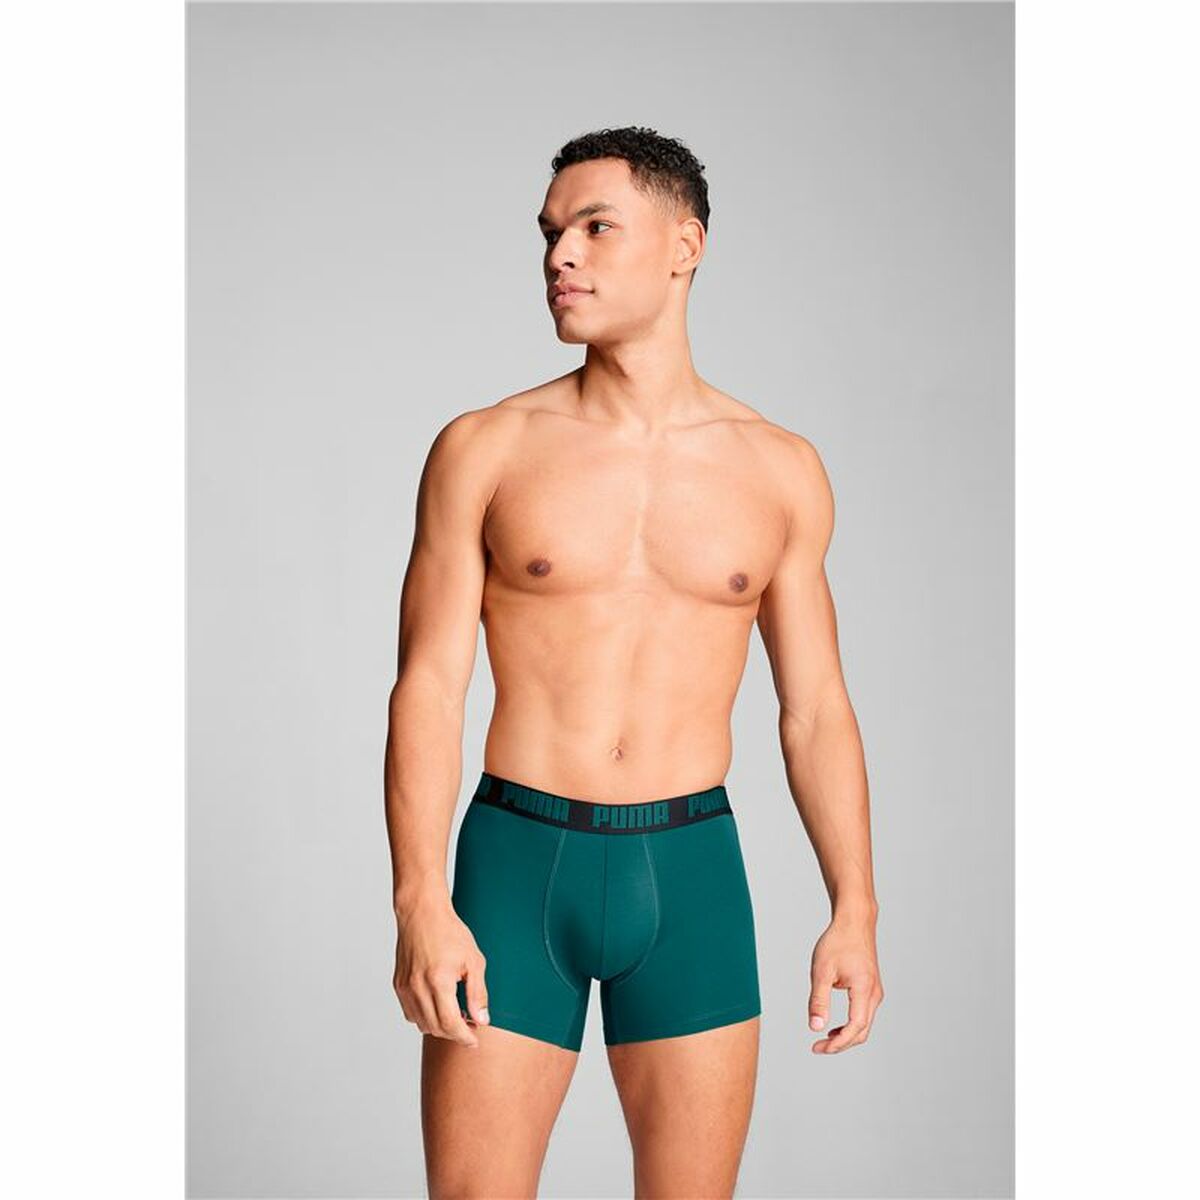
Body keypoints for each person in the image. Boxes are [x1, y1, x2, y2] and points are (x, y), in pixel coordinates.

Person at [384, 126, 883, 1199]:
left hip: (690, 869)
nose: (560, 254)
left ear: (684, 246)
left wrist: (856, 906)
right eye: (551, 233)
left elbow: (815, 708)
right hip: (516, 864)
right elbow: (428, 686)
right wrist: (420, 898)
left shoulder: (780, 470)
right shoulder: (486, 447)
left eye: (595, 226)